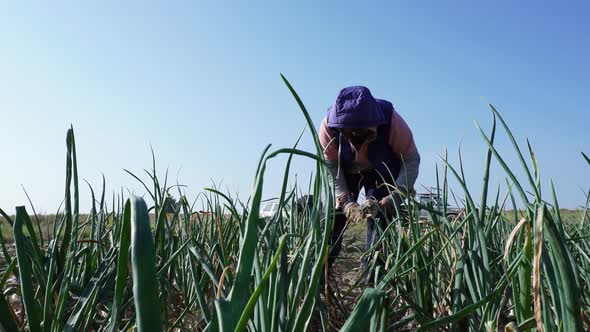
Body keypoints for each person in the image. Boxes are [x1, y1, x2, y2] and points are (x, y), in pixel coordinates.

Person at [319, 86, 420, 267]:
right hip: (346, 171)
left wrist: (396, 196)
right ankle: (319, 277)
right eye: (349, 133)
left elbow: (411, 159)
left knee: (379, 223)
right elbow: (332, 166)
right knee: (333, 222)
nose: (355, 138)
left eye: (361, 132)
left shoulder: (392, 122)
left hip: (381, 171)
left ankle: (374, 280)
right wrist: (345, 200)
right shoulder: (329, 127)